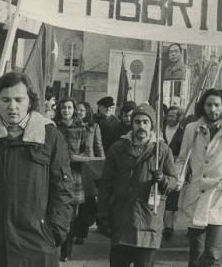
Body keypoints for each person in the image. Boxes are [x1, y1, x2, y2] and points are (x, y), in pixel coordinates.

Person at [0, 71, 73, 266]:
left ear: (30, 101)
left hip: (37, 246)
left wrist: (54, 233)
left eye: (18, 100)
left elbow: (62, 190)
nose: (12, 106)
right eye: (5, 100)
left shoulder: (49, 135)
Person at [98, 103, 177, 267]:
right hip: (121, 221)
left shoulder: (161, 150)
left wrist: (162, 179)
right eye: (137, 122)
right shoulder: (117, 148)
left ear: (152, 125)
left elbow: (173, 182)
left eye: (145, 122)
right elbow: (105, 184)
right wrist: (103, 215)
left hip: (148, 222)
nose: (141, 126)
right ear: (132, 124)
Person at [176, 89, 222, 266]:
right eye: (208, 104)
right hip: (196, 195)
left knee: (213, 255)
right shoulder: (192, 129)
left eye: (217, 105)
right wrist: (178, 178)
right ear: (202, 106)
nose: (212, 109)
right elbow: (182, 158)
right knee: (196, 254)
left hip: (219, 197)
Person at [54, 97, 90, 261]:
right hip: (55, 175)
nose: (66, 111)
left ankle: (66, 252)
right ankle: (54, 247)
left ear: (74, 110)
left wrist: (72, 157)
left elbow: (87, 154)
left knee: (71, 216)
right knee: (54, 212)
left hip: (74, 177)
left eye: (69, 108)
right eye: (63, 108)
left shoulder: (82, 129)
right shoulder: (54, 127)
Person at [75, 101, 105, 245]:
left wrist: (102, 165)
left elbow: (98, 147)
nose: (79, 112)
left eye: (82, 110)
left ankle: (81, 232)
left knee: (86, 202)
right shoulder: (72, 126)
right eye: (78, 110)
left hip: (88, 167)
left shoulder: (94, 127)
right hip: (73, 166)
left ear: (87, 112)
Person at [162, 105, 184, 240]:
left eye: (173, 116)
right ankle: (160, 224)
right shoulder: (159, 130)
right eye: (169, 116)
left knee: (172, 198)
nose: (170, 118)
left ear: (179, 118)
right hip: (160, 168)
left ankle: (169, 227)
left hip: (175, 169)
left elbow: (184, 153)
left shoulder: (183, 133)